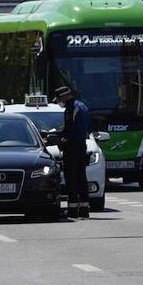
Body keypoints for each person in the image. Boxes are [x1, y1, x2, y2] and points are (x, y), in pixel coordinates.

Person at [53, 85, 91, 219]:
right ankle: (84, 209)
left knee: (71, 179)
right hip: (81, 146)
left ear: (65, 96)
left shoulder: (72, 108)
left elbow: (69, 129)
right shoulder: (82, 106)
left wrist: (55, 134)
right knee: (81, 178)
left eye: (59, 98)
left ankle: (73, 210)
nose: (58, 102)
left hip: (72, 147)